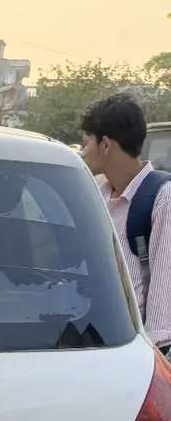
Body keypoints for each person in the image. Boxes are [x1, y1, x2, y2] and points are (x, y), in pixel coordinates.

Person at [81, 93, 171, 352]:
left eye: (86, 143)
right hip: (100, 338)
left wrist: (151, 356)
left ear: (106, 145)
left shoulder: (162, 198)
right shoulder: (99, 194)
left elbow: (163, 295)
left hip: (135, 348)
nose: (83, 152)